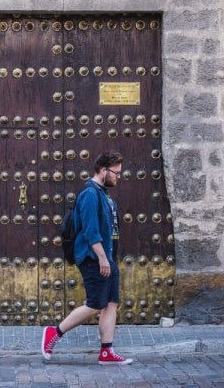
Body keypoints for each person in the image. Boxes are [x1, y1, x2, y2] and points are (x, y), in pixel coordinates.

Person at [41, 150, 132, 365]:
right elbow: (91, 231)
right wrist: (101, 258)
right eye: (116, 172)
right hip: (94, 257)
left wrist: (108, 257)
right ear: (103, 170)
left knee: (111, 303)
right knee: (94, 303)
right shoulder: (90, 194)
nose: (119, 176)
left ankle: (107, 351)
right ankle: (54, 333)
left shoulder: (103, 194)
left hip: (107, 257)